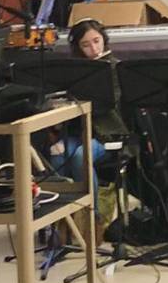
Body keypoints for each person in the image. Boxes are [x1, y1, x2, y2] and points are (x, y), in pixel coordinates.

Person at [45, 19, 119, 187]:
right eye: (86, 45)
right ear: (78, 48)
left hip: (107, 134)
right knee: (56, 155)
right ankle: (65, 211)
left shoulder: (116, 68)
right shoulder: (75, 72)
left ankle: (92, 212)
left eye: (96, 41)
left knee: (80, 156)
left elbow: (113, 107)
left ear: (104, 39)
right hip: (78, 133)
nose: (93, 49)